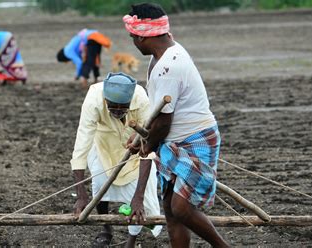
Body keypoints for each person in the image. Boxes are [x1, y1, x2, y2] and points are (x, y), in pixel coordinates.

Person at [123, 3, 230, 248]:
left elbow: (163, 122)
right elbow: (157, 113)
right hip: (174, 139)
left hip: (196, 138)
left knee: (181, 209)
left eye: (132, 36)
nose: (132, 41)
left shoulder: (168, 68)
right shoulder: (162, 55)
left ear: (141, 36)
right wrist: (141, 138)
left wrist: (147, 145)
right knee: (171, 212)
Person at [71, 72, 162, 247]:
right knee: (100, 182)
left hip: (133, 144)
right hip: (103, 141)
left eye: (123, 108)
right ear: (106, 101)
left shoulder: (141, 99)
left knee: (138, 200)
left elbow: (148, 150)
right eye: (113, 107)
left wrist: (138, 197)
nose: (118, 112)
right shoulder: (94, 100)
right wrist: (81, 196)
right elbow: (81, 147)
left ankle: (131, 240)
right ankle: (106, 228)